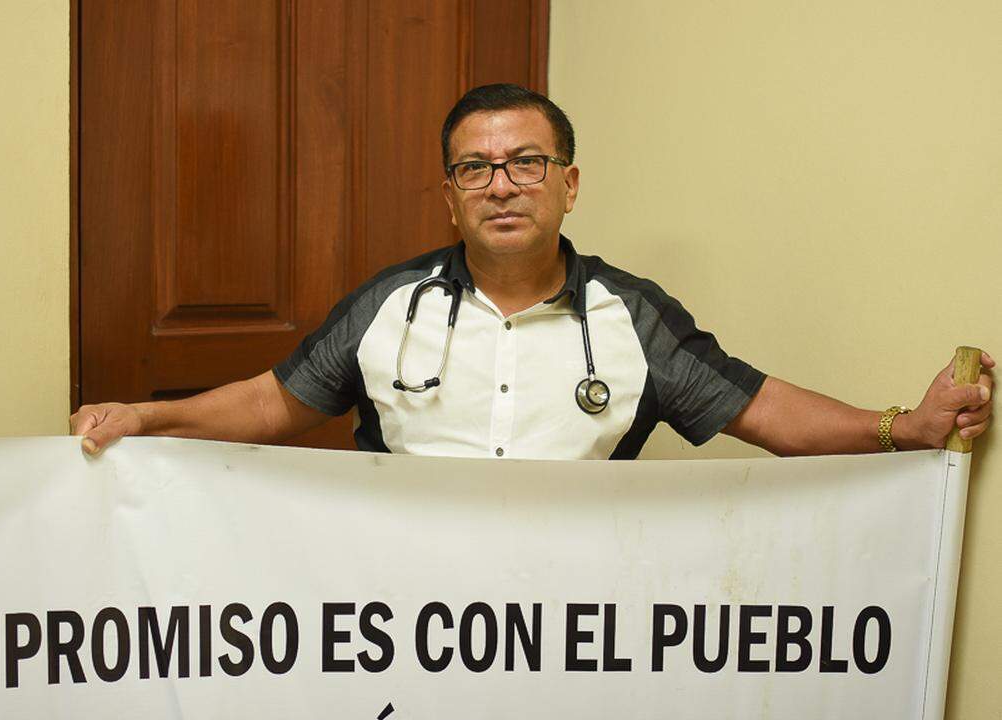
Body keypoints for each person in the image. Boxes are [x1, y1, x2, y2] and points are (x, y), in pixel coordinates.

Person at [71, 84, 993, 459]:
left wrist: (901, 427)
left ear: (569, 184)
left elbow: (761, 410)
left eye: (526, 163)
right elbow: (276, 401)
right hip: (393, 616)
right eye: (476, 167)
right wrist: (149, 417)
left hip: (568, 626)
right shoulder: (389, 305)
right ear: (449, 195)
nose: (501, 185)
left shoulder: (634, 316)